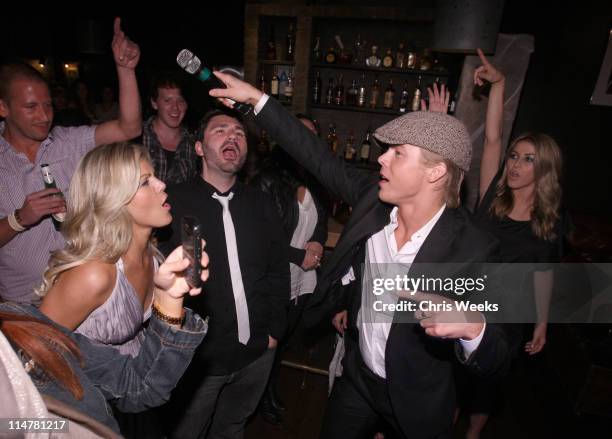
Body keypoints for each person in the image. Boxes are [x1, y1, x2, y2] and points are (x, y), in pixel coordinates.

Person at [209, 72, 514, 439]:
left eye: (398, 153)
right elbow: (314, 154)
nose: (381, 159)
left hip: (418, 399)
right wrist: (256, 99)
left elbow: (499, 357)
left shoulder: (474, 249)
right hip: (358, 380)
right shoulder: (374, 200)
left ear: (435, 172)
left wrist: (471, 326)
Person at [455, 49, 565, 439]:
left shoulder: (547, 224)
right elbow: (492, 141)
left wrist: (542, 323)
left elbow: (544, 274)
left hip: (506, 319)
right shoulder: (491, 200)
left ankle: (473, 435)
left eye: (528, 159)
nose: (515, 164)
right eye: (515, 157)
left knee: (486, 387)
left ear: (545, 169)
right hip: (466, 301)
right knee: (451, 376)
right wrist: (499, 85)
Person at [161, 108, 290, 439]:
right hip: (198, 362)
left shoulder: (261, 203)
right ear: (200, 147)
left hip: (257, 353)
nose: (233, 136)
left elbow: (278, 269)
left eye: (240, 132)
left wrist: (275, 332)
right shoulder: (172, 203)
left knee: (232, 428)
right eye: (220, 130)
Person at [0, 17, 142, 304]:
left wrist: (125, 70)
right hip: (23, 308)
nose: (44, 115)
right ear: (3, 107)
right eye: (31, 107)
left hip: (81, 297)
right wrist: (19, 219)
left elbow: (129, 128)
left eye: (48, 105)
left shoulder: (67, 141)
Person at [0, 243, 209, 436]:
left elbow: (137, 386)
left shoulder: (18, 324)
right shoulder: (94, 274)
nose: (164, 199)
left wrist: (169, 299)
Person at [37, 142, 172, 357]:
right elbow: (35, 349)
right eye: (145, 182)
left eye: (154, 176)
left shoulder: (150, 253)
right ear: (114, 199)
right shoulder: (95, 274)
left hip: (133, 376)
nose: (162, 184)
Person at [250, 114, 328, 425]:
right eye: (298, 133)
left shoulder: (316, 178)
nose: (304, 141)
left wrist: (319, 243)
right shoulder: (265, 180)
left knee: (281, 343)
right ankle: (258, 397)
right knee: (266, 344)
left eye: (310, 136)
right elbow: (257, 239)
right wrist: (298, 255)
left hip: (302, 278)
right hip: (275, 275)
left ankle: (268, 390)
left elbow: (321, 222)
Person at [142, 71, 198, 185]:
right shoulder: (137, 136)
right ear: (154, 103)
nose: (175, 107)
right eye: (167, 100)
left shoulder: (194, 143)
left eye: (180, 100)